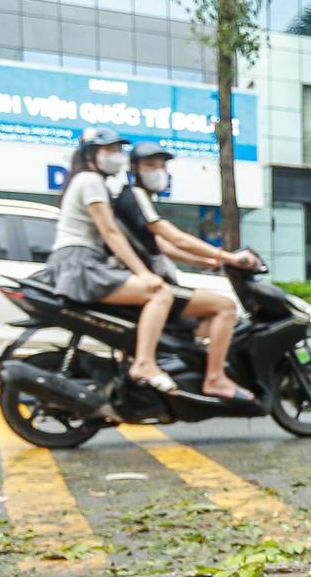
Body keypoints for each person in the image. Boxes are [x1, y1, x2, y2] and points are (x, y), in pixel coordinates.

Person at [31, 127, 249, 401]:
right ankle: (150, 364)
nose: (116, 156)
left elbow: (160, 246)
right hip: (81, 265)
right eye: (109, 150)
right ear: (90, 154)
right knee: (163, 293)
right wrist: (145, 274)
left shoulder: (95, 184)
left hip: (82, 263)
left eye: (118, 150)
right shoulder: (93, 182)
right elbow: (115, 234)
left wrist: (205, 260)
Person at [110, 141, 261, 401]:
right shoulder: (134, 195)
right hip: (145, 286)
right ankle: (215, 379)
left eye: (162, 166)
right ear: (133, 168)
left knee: (205, 321)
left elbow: (164, 247)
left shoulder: (136, 199)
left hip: (141, 284)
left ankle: (185, 372)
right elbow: (173, 237)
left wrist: (210, 262)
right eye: (150, 165)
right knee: (225, 307)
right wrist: (227, 256)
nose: (158, 171)